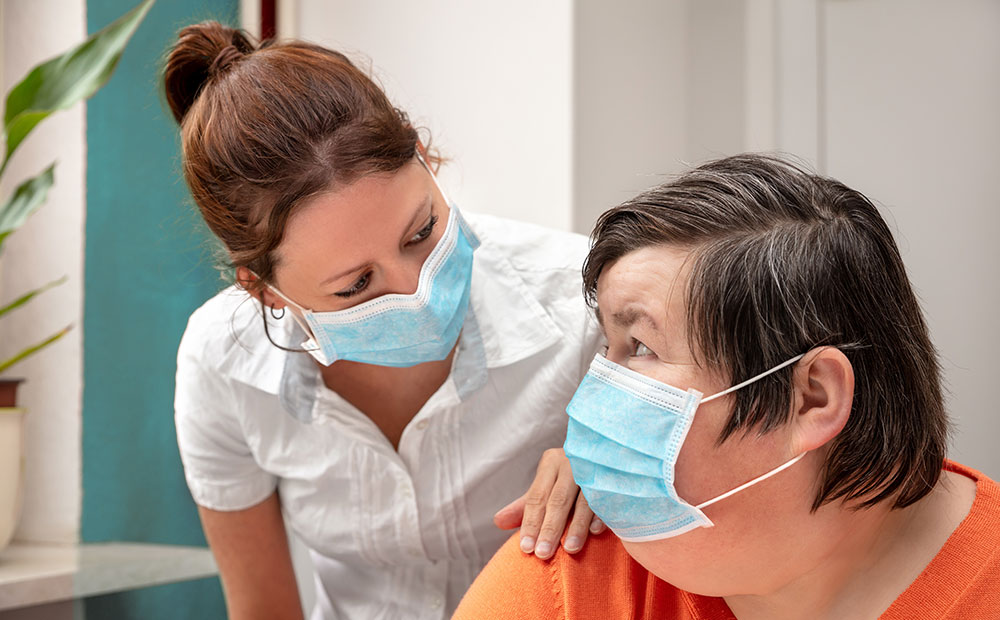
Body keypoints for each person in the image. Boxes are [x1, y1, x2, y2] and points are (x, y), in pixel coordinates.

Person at [164, 23, 606, 620]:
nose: (416, 290)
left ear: (426, 158)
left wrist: (626, 459)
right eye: (356, 286)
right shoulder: (223, 364)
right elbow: (263, 610)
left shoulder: (587, 300)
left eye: (421, 233)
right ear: (263, 291)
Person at [453, 153, 1000, 620]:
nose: (592, 397)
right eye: (608, 349)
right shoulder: (575, 569)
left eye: (641, 348)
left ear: (811, 397)